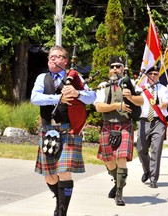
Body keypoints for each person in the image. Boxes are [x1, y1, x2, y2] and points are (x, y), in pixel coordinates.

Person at [30, 45, 96, 216]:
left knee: (64, 172)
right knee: (49, 176)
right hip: (48, 130)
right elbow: (35, 98)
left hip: (68, 131)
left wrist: (77, 93)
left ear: (65, 61)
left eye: (58, 56)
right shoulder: (42, 78)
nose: (53, 59)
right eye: (51, 56)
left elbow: (92, 97)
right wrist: (58, 97)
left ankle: (62, 212)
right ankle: (60, 201)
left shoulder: (74, 77)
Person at [94, 56, 143, 206]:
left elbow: (141, 101)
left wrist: (132, 97)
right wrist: (116, 106)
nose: (115, 69)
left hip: (125, 124)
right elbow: (98, 107)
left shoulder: (131, 83)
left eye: (118, 66)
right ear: (109, 70)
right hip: (108, 125)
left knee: (121, 158)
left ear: (123, 68)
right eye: (112, 67)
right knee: (109, 161)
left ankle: (119, 193)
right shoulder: (103, 85)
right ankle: (118, 182)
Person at [136, 66, 168, 188]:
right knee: (140, 149)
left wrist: (160, 104)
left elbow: (165, 103)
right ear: (147, 76)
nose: (154, 76)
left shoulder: (163, 89)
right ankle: (147, 170)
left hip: (158, 121)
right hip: (144, 121)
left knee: (156, 149)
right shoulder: (140, 89)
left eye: (156, 74)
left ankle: (153, 178)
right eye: (151, 74)